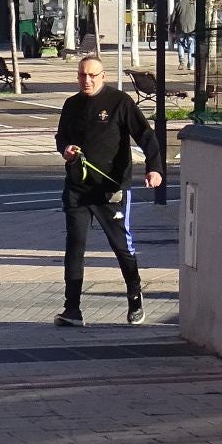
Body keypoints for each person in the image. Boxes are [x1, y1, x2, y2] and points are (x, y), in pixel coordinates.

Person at [54, 56, 163, 326]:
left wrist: (155, 168)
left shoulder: (119, 102)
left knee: (121, 247)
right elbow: (61, 137)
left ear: (103, 76)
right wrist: (66, 149)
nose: (86, 81)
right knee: (75, 247)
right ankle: (72, 309)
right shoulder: (72, 104)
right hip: (78, 188)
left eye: (92, 75)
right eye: (82, 75)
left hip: (110, 190)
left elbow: (145, 135)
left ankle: (135, 298)